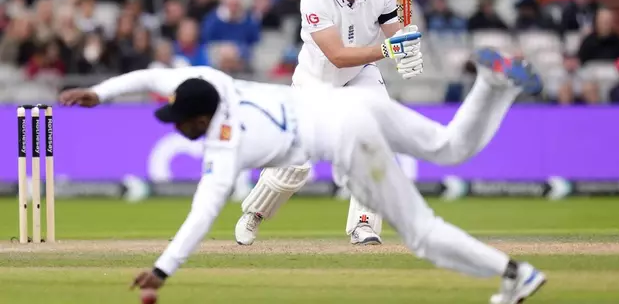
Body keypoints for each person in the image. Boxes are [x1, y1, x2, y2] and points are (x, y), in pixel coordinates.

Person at [59, 47, 546, 304]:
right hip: (358, 100)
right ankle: (492, 83)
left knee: (420, 233)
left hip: (348, 138)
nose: (178, 128)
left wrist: (164, 268)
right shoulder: (208, 81)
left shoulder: (225, 147)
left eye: (182, 123)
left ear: (202, 120)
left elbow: (203, 212)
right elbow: (149, 77)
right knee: (449, 147)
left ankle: (516, 274)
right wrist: (100, 93)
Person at [234, 0, 425, 247]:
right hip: (316, 82)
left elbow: (396, 36)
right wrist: (390, 50)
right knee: (295, 164)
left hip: (360, 75)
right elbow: (337, 55)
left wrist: (407, 44)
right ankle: (255, 213)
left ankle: (363, 224)